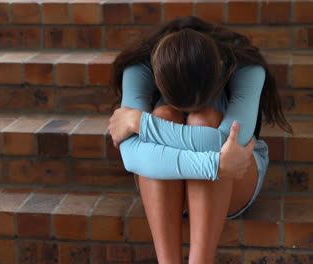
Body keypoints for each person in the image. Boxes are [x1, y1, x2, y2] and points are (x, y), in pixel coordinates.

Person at [107, 16, 292, 264]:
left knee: (202, 119)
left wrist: (141, 122)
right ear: (158, 76)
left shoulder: (246, 66)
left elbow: (223, 144)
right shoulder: (141, 65)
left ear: (219, 67)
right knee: (165, 115)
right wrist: (213, 164)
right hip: (188, 176)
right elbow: (131, 156)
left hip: (234, 173)